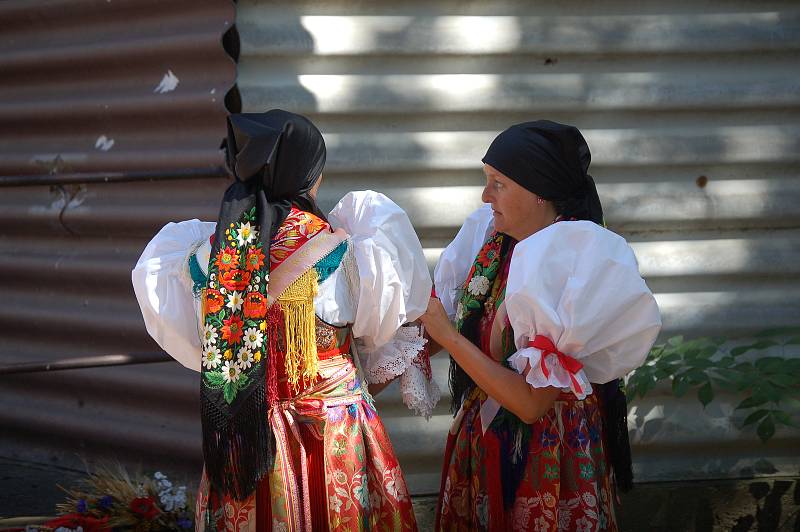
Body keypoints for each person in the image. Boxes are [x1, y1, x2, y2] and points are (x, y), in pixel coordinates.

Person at [132, 110, 439, 531]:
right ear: (307, 174)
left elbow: (194, 348)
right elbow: (382, 331)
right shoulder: (350, 251)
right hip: (331, 440)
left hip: (245, 439)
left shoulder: (203, 256)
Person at [420, 120, 662, 531]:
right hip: (484, 444)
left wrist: (447, 335)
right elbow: (450, 326)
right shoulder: (492, 243)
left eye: (499, 183)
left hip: (545, 461)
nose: (485, 196)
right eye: (486, 181)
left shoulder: (573, 263)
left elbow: (532, 405)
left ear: (540, 193)